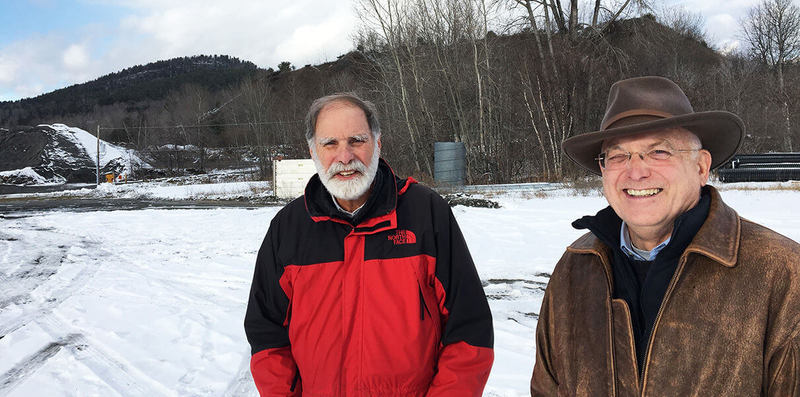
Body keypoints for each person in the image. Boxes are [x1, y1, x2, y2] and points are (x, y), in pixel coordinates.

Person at [531, 76, 800, 395]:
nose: (635, 171)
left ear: (701, 167)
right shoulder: (574, 270)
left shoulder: (782, 273)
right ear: (603, 170)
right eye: (618, 156)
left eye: (658, 151)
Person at [244, 93, 494, 396]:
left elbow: (469, 333)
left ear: (378, 144)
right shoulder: (288, 228)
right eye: (330, 144)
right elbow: (267, 336)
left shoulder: (427, 214)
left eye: (356, 141)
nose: (345, 157)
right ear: (313, 152)